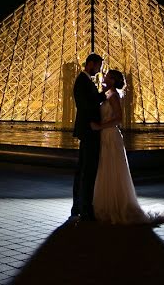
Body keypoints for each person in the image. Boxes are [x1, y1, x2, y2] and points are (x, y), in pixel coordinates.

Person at [91, 69, 164, 225]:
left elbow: (119, 119)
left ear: (112, 80)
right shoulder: (106, 94)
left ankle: (114, 206)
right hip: (106, 135)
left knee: (111, 169)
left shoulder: (113, 96)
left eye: (106, 76)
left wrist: (100, 126)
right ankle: (108, 204)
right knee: (107, 169)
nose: (103, 77)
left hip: (110, 135)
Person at [70, 53, 106, 222]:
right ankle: (84, 208)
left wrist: (103, 93)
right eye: (98, 67)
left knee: (83, 170)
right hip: (89, 130)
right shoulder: (82, 81)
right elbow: (86, 106)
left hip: (87, 130)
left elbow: (91, 101)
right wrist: (93, 122)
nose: (99, 71)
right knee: (87, 171)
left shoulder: (85, 81)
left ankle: (79, 206)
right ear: (90, 64)